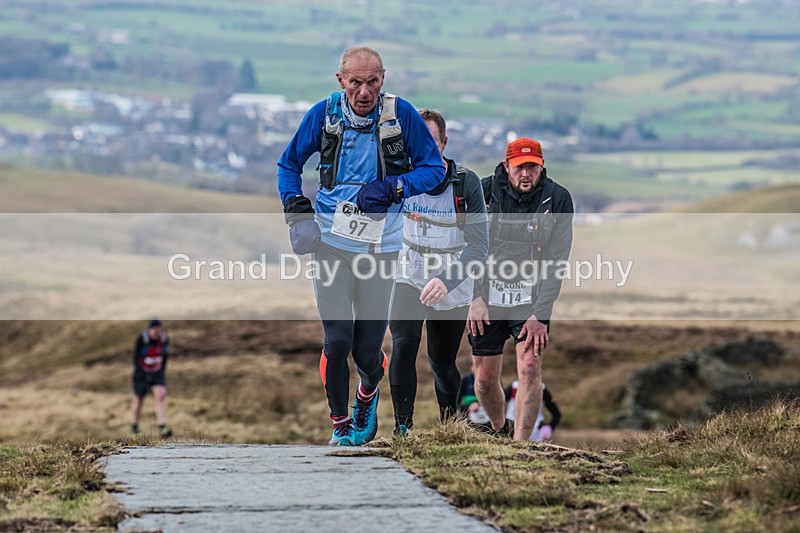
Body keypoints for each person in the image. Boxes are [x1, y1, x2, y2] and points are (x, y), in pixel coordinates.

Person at [278, 46, 445, 446]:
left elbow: (433, 168)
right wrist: (296, 212)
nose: (364, 91)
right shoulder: (324, 114)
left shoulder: (401, 114)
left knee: (366, 354)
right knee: (336, 341)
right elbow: (288, 165)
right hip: (330, 244)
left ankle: (368, 389)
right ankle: (340, 427)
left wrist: (393, 186)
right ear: (341, 81)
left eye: (372, 82)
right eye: (355, 82)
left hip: (381, 249)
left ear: (383, 79)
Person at [388, 109, 488, 436]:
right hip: (408, 274)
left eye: (431, 141)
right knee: (403, 344)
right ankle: (403, 429)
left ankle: (450, 427)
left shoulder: (466, 184)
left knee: (441, 363)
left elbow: (478, 247)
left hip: (452, 279)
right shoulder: (399, 178)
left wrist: (447, 281)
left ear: (444, 144)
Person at [467, 137, 574, 440]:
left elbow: (557, 262)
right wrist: (473, 297)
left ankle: (521, 447)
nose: (525, 174)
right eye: (519, 168)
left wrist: (540, 315)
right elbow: (470, 247)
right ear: (506, 166)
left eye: (532, 167)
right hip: (487, 296)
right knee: (485, 381)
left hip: (531, 298)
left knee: (529, 367)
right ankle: (502, 428)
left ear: (542, 167)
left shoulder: (558, 199)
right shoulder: (483, 191)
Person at [131, 318, 172, 438]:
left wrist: (161, 371)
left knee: (161, 394)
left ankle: (162, 426)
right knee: (139, 400)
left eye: (158, 329)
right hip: (141, 373)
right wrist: (143, 374)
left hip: (157, 372)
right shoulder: (142, 340)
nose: (156, 331)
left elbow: (165, 357)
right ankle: (134, 427)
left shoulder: (164, 340)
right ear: (149, 330)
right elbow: (135, 358)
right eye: (154, 329)